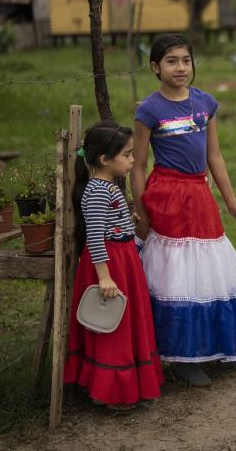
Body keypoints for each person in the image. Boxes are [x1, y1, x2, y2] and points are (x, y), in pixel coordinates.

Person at [132, 34, 236, 388]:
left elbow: (214, 156)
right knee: (177, 275)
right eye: (171, 61)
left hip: (200, 196)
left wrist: (232, 201)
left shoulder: (206, 103)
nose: (180, 67)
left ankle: (229, 348)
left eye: (186, 60)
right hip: (167, 197)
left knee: (214, 271)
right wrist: (142, 212)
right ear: (155, 67)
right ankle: (181, 357)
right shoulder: (149, 110)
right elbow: (139, 164)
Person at [65, 120, 164, 410]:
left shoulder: (108, 186)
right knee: (112, 326)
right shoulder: (97, 191)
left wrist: (125, 221)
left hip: (123, 259)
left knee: (125, 322)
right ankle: (110, 391)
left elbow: (108, 224)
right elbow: (95, 236)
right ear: (104, 159)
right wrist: (104, 278)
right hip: (109, 265)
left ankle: (124, 386)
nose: (133, 160)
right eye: (127, 155)